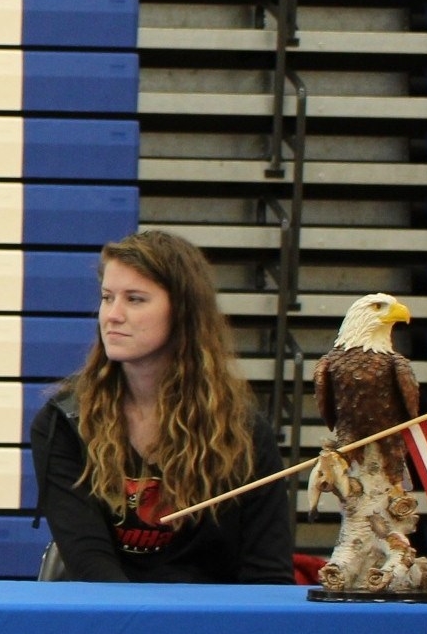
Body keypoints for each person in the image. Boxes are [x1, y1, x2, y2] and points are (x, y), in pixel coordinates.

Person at [30, 230, 293, 583]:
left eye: (135, 299)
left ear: (183, 312)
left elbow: (268, 576)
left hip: (210, 626)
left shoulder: (243, 432)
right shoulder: (62, 423)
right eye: (108, 298)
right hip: (111, 623)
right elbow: (92, 567)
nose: (112, 315)